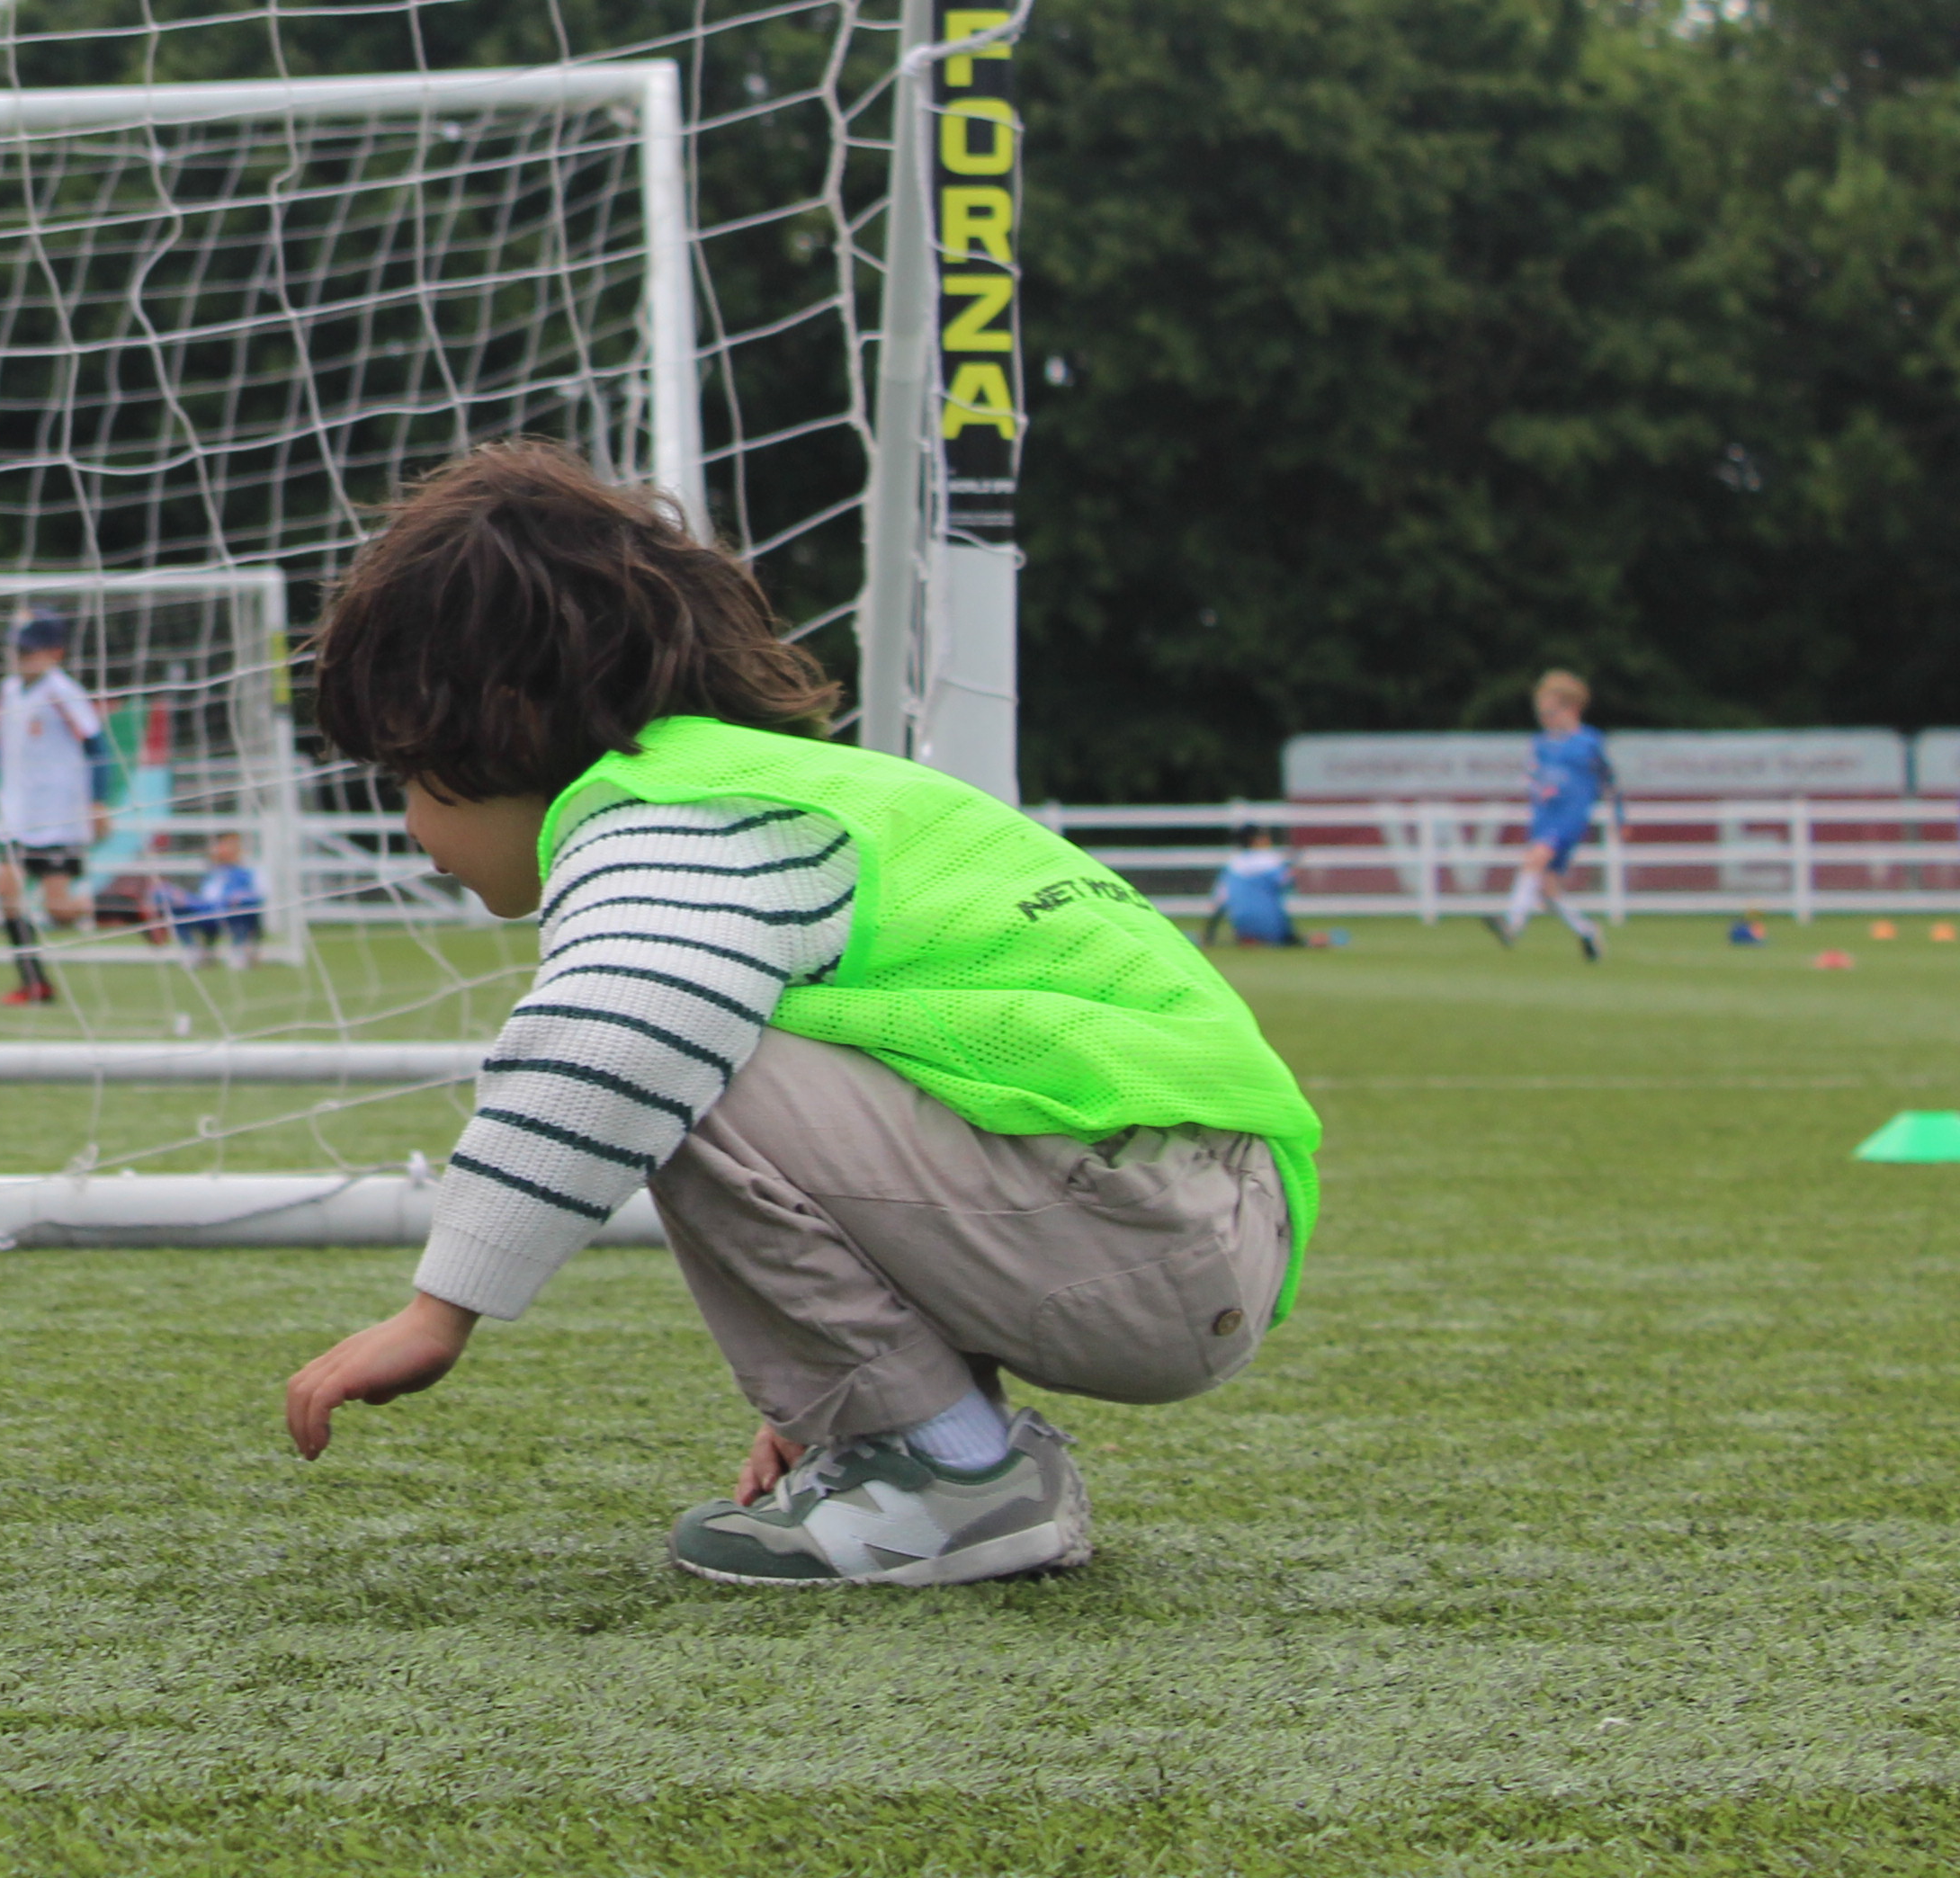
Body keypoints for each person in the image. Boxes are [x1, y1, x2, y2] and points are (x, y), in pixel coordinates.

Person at [279, 442, 1323, 1589]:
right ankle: (917, 1447)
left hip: (1141, 1230)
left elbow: (621, 1032)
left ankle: (956, 1474)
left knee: (681, 1049)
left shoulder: (666, 813)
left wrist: (441, 1312)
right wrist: (834, 1389)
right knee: (713, 1026)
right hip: (1203, 1212)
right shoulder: (780, 791)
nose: (413, 831)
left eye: (407, 777)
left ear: (504, 721)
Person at [0, 613, 110, 1006]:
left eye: (30, 651)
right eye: (18, 650)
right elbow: (3, 745)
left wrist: (98, 802)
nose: (21, 657)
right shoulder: (10, 690)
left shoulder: (63, 692)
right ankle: (34, 982)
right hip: (18, 815)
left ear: (55, 653)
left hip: (58, 816)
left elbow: (97, 747)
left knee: (60, 912)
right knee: (6, 890)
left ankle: (132, 910)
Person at [1496, 669, 1612, 961]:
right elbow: (1538, 780)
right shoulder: (1540, 745)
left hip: (1570, 818)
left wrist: (1619, 816)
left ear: (1571, 709)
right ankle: (1587, 931)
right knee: (1548, 890)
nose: (1545, 719)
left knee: (1534, 859)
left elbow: (1607, 779)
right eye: (1542, 714)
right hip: (1545, 818)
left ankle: (1512, 923)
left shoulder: (1588, 742)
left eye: (1550, 713)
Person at [172, 828, 267, 960]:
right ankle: (192, 950)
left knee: (244, 905)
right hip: (207, 910)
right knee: (174, 901)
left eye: (230, 845)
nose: (223, 849)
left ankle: (239, 949)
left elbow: (260, 895)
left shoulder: (250, 870)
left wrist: (241, 896)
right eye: (222, 845)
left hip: (232, 910)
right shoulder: (212, 871)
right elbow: (203, 896)